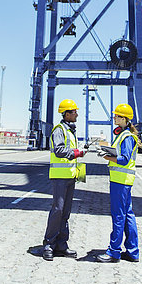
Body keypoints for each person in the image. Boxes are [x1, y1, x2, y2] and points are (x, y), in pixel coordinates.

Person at [96, 103, 140, 263]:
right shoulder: (123, 135)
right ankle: (132, 252)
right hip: (124, 181)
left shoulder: (126, 137)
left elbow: (124, 159)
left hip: (120, 182)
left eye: (116, 115)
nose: (113, 117)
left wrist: (108, 157)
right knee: (128, 215)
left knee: (118, 215)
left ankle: (114, 252)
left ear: (123, 118)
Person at [43, 99, 85, 261]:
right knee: (58, 210)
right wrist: (77, 152)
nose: (77, 114)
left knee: (66, 212)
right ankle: (48, 244)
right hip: (60, 177)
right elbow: (60, 150)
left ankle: (61, 244)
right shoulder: (59, 130)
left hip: (70, 176)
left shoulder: (71, 130)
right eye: (74, 112)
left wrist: (80, 151)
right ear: (67, 114)